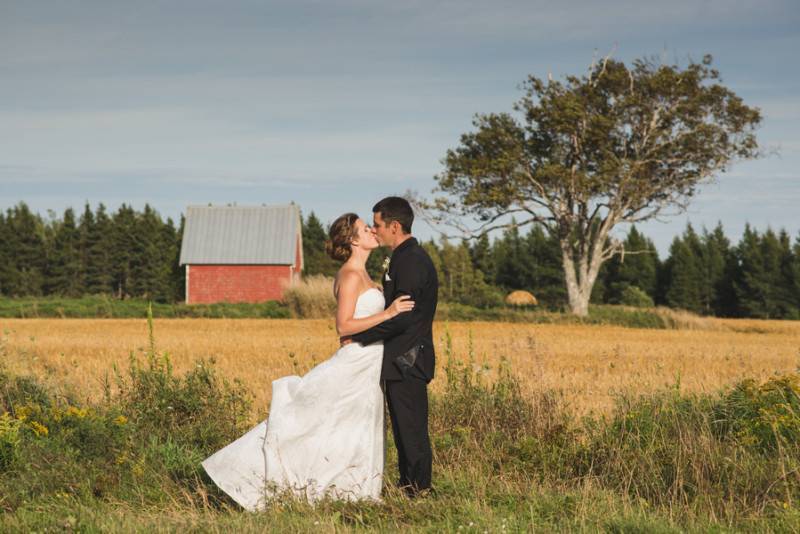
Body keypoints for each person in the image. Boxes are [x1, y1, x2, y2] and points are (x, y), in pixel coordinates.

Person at [201, 213, 414, 509]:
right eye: (365, 229)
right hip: (355, 361)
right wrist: (389, 313)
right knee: (314, 423)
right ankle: (246, 475)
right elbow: (344, 326)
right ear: (353, 240)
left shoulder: (363, 273)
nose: (372, 231)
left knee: (353, 427)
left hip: (369, 362)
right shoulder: (351, 275)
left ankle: (351, 491)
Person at [344, 196, 438, 497]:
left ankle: (419, 490)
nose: (375, 230)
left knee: (411, 429)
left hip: (408, 359)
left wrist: (360, 338)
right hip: (399, 358)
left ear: (394, 226)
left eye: (378, 225)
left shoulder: (411, 261)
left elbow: (404, 318)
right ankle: (408, 485)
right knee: (402, 429)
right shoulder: (402, 257)